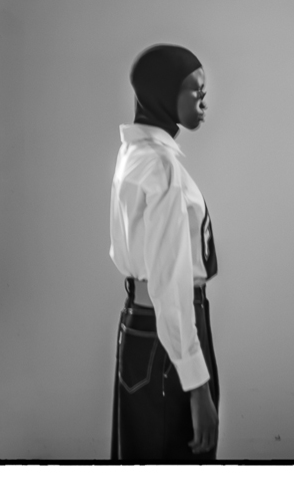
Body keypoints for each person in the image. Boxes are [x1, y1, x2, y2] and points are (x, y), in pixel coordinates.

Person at [109, 44, 220, 460]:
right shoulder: (162, 166)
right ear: (163, 93)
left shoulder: (133, 153)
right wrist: (198, 388)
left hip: (138, 325)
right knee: (179, 453)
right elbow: (170, 284)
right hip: (168, 328)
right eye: (195, 90)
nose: (203, 100)